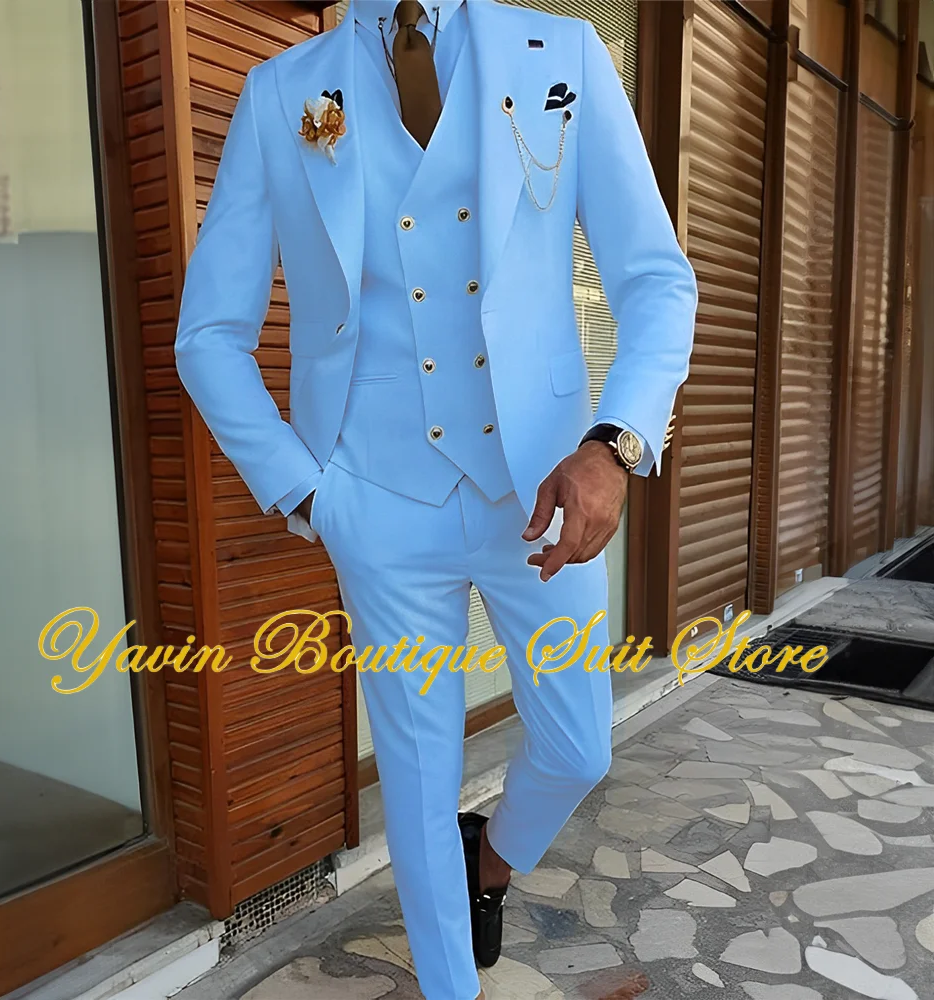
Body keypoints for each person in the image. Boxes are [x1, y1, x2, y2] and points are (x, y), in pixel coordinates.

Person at [174, 1, 697, 997]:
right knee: (416, 782)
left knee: (578, 746)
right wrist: (305, 491)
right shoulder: (284, 92)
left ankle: (488, 859)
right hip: (373, 494)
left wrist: (616, 445)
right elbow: (208, 333)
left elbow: (654, 280)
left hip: (543, 486)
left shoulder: (564, 54)